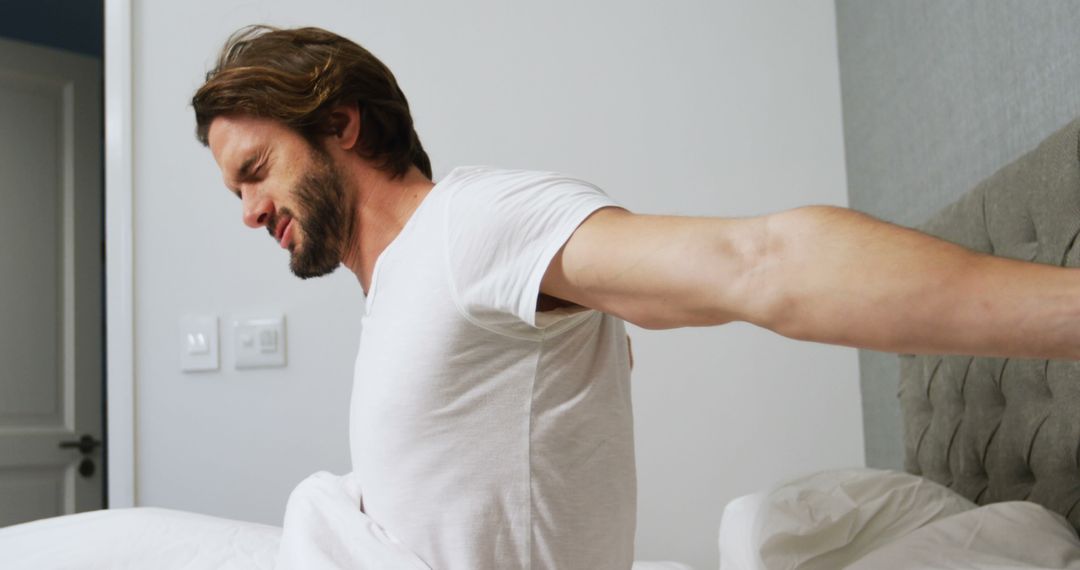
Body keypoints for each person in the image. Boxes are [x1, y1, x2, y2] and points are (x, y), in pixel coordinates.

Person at [189, 24, 1080, 570]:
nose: (248, 211)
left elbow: (755, 260)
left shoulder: (468, 225)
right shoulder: (401, 292)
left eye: (255, 173)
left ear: (340, 124)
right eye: (233, 193)